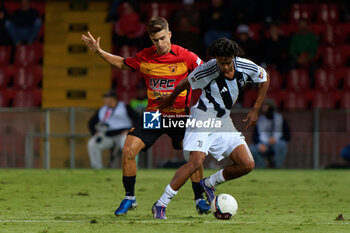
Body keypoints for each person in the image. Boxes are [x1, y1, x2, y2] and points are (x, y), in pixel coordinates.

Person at [82, 17, 210, 216]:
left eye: (161, 38)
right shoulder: (145, 56)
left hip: (179, 116)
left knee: (193, 155)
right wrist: (99, 52)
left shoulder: (186, 57)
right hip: (154, 115)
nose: (159, 44)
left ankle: (199, 199)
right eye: (154, 40)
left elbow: (208, 73)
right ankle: (129, 198)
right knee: (128, 149)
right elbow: (123, 64)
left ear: (169, 34)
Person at [152, 37, 269, 219]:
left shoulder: (245, 66)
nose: (224, 66)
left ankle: (208, 183)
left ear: (233, 57)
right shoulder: (207, 70)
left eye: (227, 62)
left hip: (223, 121)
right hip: (202, 117)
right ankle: (161, 204)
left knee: (247, 164)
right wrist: (171, 99)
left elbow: (264, 78)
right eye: (220, 62)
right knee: (195, 162)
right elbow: (184, 83)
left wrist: (255, 109)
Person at [88, 90, 139, 169]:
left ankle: (131, 168)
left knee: (129, 143)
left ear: (113, 99)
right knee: (92, 143)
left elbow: (137, 119)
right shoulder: (102, 110)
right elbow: (91, 123)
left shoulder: (124, 107)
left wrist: (131, 130)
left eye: (106, 98)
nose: (104, 100)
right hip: (107, 135)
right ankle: (97, 168)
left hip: (122, 134)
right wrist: (95, 132)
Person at [249, 99, 291, 168]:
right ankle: (264, 167)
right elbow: (255, 136)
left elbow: (288, 135)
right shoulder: (259, 120)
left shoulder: (280, 118)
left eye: (267, 107)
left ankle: (277, 167)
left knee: (282, 144)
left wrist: (277, 140)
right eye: (264, 106)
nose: (265, 109)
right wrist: (260, 145)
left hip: (277, 143)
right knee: (251, 149)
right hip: (264, 144)